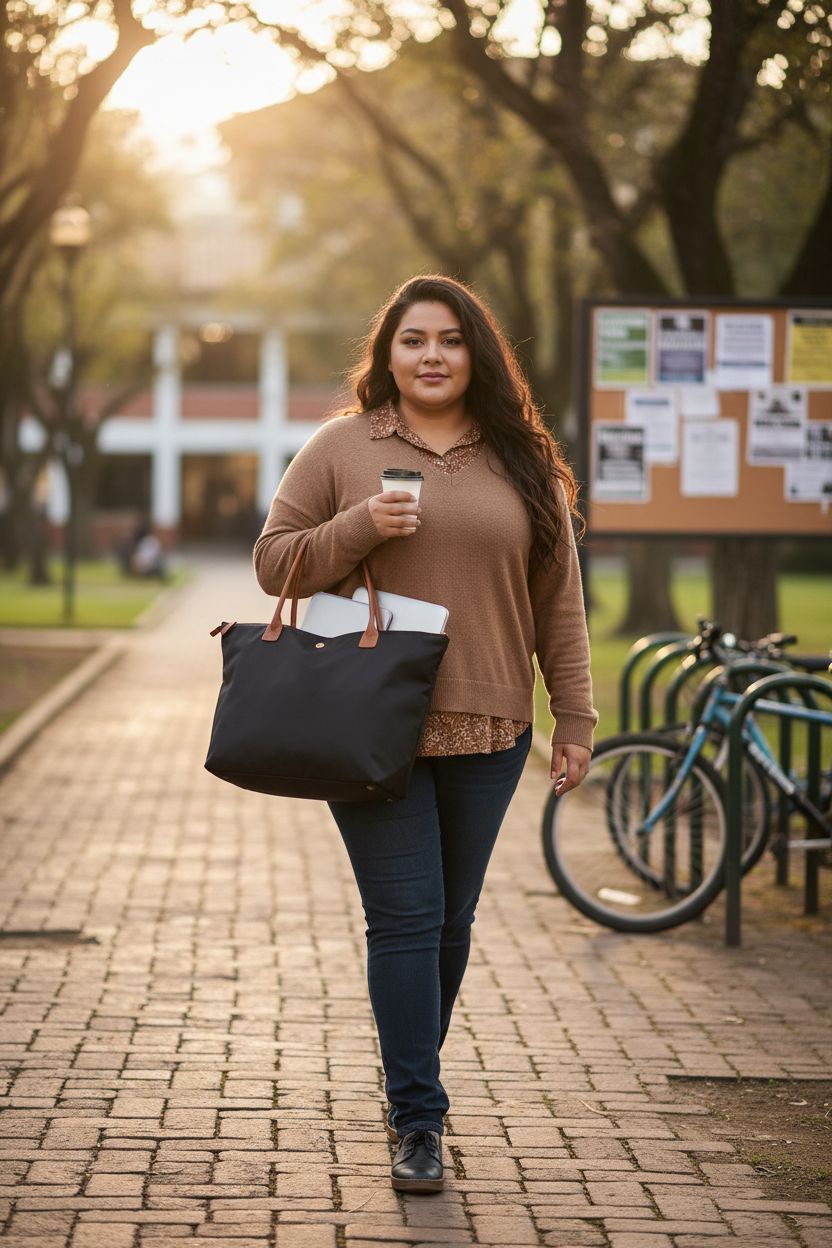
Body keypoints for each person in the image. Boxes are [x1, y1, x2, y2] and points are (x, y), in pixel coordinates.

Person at [253, 275, 597, 1194]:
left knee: (449, 924)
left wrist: (577, 714)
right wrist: (360, 525)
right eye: (413, 340)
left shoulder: (524, 460)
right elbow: (273, 563)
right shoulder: (342, 446)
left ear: (478, 352)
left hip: (491, 723)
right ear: (388, 354)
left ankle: (410, 1074)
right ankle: (419, 1117)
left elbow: (557, 603)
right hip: (370, 724)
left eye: (450, 339)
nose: (432, 355)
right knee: (405, 920)